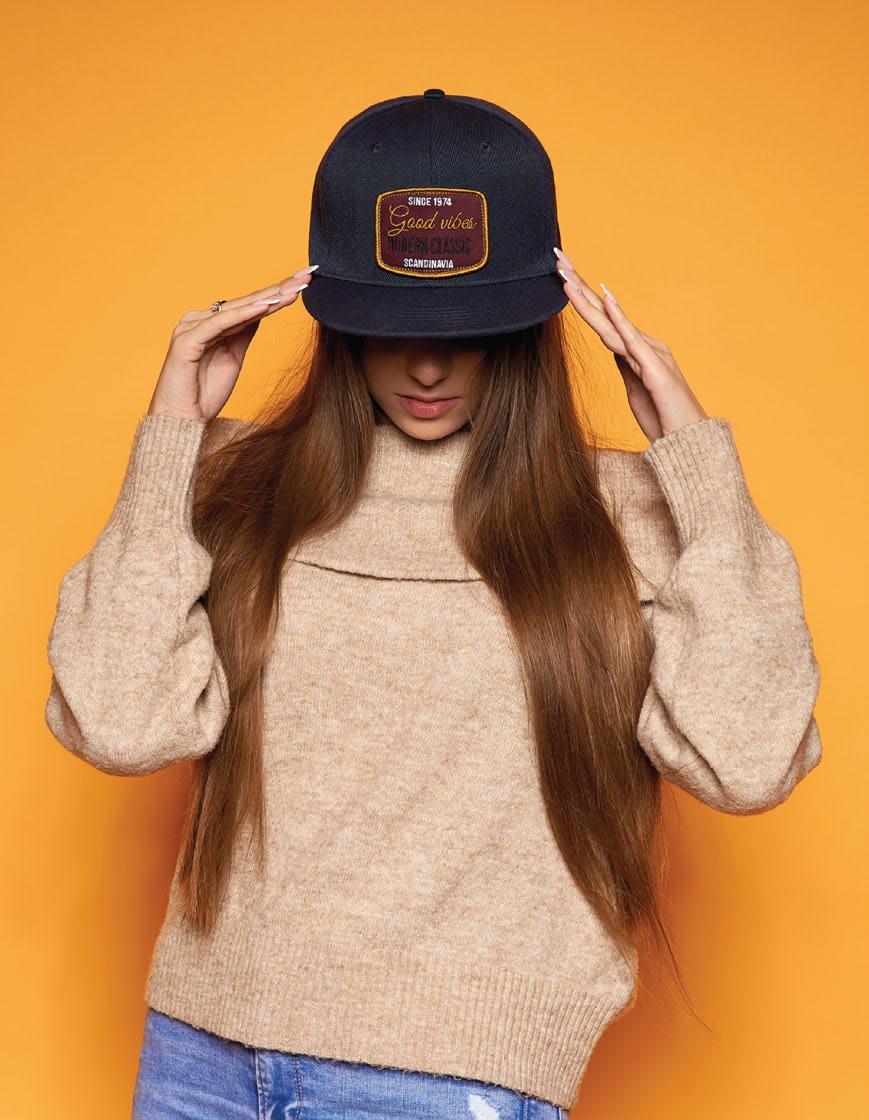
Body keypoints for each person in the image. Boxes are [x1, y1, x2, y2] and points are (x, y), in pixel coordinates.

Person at [43, 91, 823, 1120]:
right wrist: (169, 441)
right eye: (389, 327)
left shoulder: (627, 513)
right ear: (337, 324)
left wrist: (698, 466)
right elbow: (118, 723)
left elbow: (748, 761)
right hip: (199, 1060)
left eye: (468, 331)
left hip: (443, 1078)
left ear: (528, 328)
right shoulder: (237, 486)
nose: (425, 364)